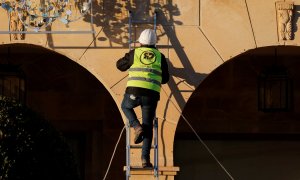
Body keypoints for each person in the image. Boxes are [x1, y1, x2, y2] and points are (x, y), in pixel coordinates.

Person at [116, 29, 169, 168]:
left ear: (140, 41)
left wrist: (129, 59)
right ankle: (145, 160)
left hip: (134, 91)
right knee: (148, 126)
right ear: (154, 43)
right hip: (151, 95)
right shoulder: (160, 56)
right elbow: (165, 79)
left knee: (125, 106)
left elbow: (120, 66)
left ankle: (136, 126)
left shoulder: (135, 53)